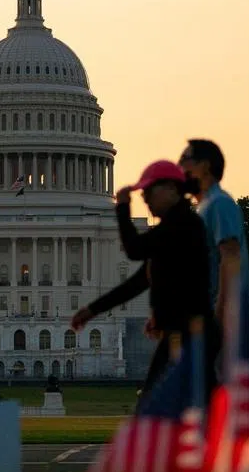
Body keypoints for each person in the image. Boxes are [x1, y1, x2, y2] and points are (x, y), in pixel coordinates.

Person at [69, 159, 215, 396]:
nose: (145, 199)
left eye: (149, 192)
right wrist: (92, 310)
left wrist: (123, 207)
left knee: (172, 401)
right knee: (170, 401)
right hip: (179, 330)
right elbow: (140, 281)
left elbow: (134, 249)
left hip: (190, 332)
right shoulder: (174, 226)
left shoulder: (182, 226)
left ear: (172, 189)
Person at [178, 139, 249, 382]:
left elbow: (230, 257)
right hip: (212, 314)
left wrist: (220, 314)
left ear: (204, 166)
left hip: (227, 315)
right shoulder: (205, 207)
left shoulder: (220, 204)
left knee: (226, 392)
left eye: (185, 161)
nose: (180, 167)